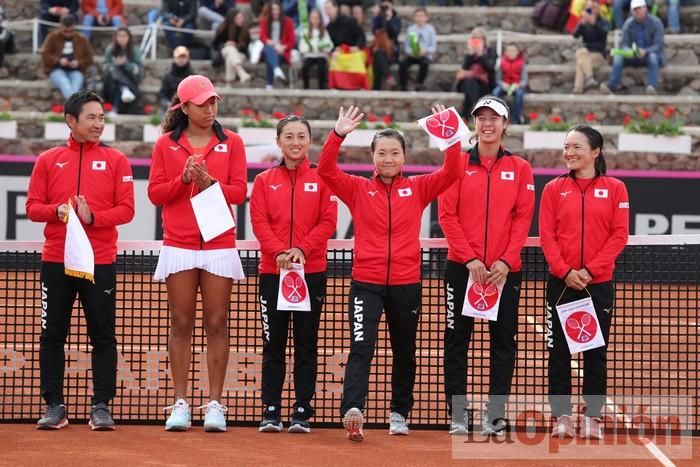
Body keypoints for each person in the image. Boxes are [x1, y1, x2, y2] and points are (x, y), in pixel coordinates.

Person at [318, 105, 463, 441]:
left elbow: (453, 171)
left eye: (394, 153)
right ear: (372, 157)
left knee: (405, 350)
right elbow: (325, 170)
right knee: (361, 346)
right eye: (381, 153)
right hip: (365, 284)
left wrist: (448, 133)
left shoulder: (419, 187)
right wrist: (337, 134)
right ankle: (353, 410)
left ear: (404, 157)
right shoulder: (355, 188)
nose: (387, 158)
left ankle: (399, 412)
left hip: (406, 284)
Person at [25, 90, 135, 431]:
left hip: (99, 261)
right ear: (70, 120)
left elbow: (127, 210)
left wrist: (92, 218)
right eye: (91, 117)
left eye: (101, 117)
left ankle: (101, 406)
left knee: (102, 336)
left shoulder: (117, 160)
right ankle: (54, 406)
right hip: (56, 260)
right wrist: (57, 211)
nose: (98, 123)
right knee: (52, 335)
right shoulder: (47, 159)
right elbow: (32, 208)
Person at [147, 75, 247, 432]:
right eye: (203, 103)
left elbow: (238, 193)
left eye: (213, 102)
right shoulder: (165, 145)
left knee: (217, 323)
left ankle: (216, 405)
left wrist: (207, 183)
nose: (210, 108)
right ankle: (180, 403)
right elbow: (156, 194)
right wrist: (184, 180)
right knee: (181, 323)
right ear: (184, 107)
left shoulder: (232, 142)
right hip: (180, 243)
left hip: (219, 244)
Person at [438, 95, 534, 436]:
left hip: (504, 272)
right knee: (456, 341)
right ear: (474, 123)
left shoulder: (521, 168)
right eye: (481, 117)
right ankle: (458, 414)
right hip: (462, 268)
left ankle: (495, 415)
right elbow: (446, 215)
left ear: (506, 124)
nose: (488, 123)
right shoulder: (457, 165)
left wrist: (506, 261)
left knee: (503, 343)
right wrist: (470, 259)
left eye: (495, 118)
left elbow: (523, 219)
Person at [539, 125, 629, 439]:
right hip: (561, 283)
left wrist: (590, 271)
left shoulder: (616, 188)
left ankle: (593, 418)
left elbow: (619, 235)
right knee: (559, 352)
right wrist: (565, 271)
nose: (570, 153)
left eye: (577, 147)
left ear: (595, 152)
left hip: (597, 284)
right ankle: (561, 417)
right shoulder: (552, 189)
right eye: (567, 146)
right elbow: (547, 236)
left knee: (595, 353)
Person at [250, 115, 337, 434]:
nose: (295, 141)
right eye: (289, 136)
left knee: (306, 343)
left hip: (310, 273)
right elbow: (259, 222)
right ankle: (271, 409)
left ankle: (302, 409)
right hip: (273, 274)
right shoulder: (263, 181)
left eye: (301, 135)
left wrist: (301, 249)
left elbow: (328, 222)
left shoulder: (323, 178)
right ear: (278, 141)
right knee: (273, 343)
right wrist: (279, 253)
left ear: (310, 141)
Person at [601, 0, 664, 95]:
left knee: (653, 57)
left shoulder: (656, 23)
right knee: (619, 58)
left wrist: (645, 51)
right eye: (635, 9)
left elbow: (658, 45)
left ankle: (651, 86)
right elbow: (624, 44)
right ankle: (611, 86)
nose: (637, 11)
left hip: (648, 54)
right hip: (633, 55)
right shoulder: (628, 24)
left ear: (645, 8)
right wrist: (629, 51)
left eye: (639, 9)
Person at [42, 15, 94, 100]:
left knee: (76, 86)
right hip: (56, 70)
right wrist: (58, 61)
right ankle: (73, 109)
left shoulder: (81, 39)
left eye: (71, 31)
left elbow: (89, 58)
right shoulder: (52, 37)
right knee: (64, 83)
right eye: (65, 31)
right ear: (60, 27)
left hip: (76, 70)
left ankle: (70, 109)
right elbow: (45, 54)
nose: (68, 34)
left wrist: (78, 63)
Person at [455, 27, 496, 118]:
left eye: (479, 39)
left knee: (469, 92)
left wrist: (481, 55)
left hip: (484, 84)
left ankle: (465, 116)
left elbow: (490, 69)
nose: (477, 41)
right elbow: (465, 68)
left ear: (484, 40)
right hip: (467, 83)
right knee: (470, 82)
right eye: (474, 39)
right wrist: (470, 55)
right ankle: (477, 108)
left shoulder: (490, 52)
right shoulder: (469, 53)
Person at [572, 0, 610, 93]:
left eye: (594, 8)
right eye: (590, 8)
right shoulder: (584, 23)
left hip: (598, 54)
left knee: (580, 62)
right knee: (582, 53)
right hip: (586, 52)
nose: (592, 10)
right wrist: (580, 24)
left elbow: (604, 33)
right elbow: (575, 35)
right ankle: (589, 78)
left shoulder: (603, 22)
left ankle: (577, 88)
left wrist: (595, 24)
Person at [103, 27, 142, 115]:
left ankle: (115, 108)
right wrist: (116, 64)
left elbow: (138, 69)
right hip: (112, 79)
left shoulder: (134, 50)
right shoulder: (110, 49)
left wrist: (126, 64)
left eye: (124, 36)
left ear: (129, 37)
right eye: (119, 36)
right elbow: (105, 65)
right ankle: (124, 88)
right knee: (115, 70)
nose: (122, 38)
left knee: (119, 82)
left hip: (130, 78)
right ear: (116, 38)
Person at [258, 1, 296, 90]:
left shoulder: (288, 22)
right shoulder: (265, 21)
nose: (275, 12)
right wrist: (268, 41)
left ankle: (269, 85)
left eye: (277, 9)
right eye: (273, 10)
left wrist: (284, 47)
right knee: (269, 49)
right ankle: (276, 70)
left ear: (281, 10)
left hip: (282, 52)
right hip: (269, 48)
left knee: (270, 58)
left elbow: (292, 41)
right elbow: (262, 36)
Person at [398, 7, 436, 92]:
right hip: (413, 55)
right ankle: (403, 86)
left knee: (425, 64)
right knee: (402, 63)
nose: (419, 18)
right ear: (414, 18)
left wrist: (425, 51)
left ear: (426, 17)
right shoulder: (411, 29)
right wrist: (410, 52)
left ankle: (419, 84)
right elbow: (407, 46)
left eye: (421, 16)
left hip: (425, 55)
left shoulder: (430, 30)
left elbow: (433, 47)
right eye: (417, 16)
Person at [212, 9, 252, 85]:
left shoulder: (245, 30)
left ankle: (229, 83)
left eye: (242, 17)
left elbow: (245, 48)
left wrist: (236, 46)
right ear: (232, 19)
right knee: (230, 49)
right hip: (224, 51)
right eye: (238, 18)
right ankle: (241, 72)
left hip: (240, 55)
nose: (242, 20)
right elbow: (215, 44)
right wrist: (225, 44)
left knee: (230, 57)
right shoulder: (224, 29)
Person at [492, 43, 527, 124]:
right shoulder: (502, 63)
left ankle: (516, 118)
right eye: (509, 51)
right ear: (506, 52)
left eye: (513, 51)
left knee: (519, 95)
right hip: (505, 85)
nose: (511, 53)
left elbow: (524, 80)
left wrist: (519, 85)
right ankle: (497, 117)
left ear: (517, 52)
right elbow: (498, 79)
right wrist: (502, 84)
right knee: (495, 93)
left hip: (517, 86)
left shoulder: (521, 63)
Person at [298, 9, 333, 89]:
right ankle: (306, 87)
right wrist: (308, 48)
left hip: (321, 55)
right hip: (310, 55)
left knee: (321, 67)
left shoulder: (324, 31)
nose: (315, 20)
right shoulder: (306, 31)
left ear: (320, 19)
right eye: (313, 18)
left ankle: (321, 87)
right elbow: (301, 46)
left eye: (317, 18)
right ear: (310, 19)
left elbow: (329, 44)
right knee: (305, 68)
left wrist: (322, 47)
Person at [370, 0, 401, 90]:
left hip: (391, 50)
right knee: (378, 54)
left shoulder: (396, 18)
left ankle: (376, 88)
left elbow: (394, 34)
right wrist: (377, 17)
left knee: (378, 55)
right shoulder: (378, 17)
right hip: (379, 47)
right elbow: (374, 31)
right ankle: (388, 78)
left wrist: (388, 20)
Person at [158, 46, 194, 114]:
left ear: (188, 58)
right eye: (179, 57)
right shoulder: (167, 76)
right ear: (174, 58)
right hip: (171, 107)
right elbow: (163, 94)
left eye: (183, 57)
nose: (181, 59)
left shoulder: (193, 76)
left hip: (189, 107)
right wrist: (167, 103)